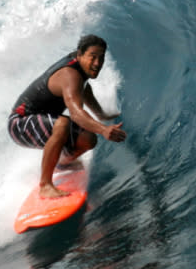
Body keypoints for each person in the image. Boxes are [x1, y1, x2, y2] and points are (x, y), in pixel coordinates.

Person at [8, 34, 127, 198]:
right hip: (19, 124)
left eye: (101, 58)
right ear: (79, 54)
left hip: (40, 120)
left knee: (88, 139)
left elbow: (83, 90)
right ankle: (45, 185)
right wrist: (104, 129)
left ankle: (63, 164)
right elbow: (77, 115)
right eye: (93, 57)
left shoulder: (80, 70)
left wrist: (101, 114)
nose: (97, 63)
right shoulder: (70, 75)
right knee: (63, 124)